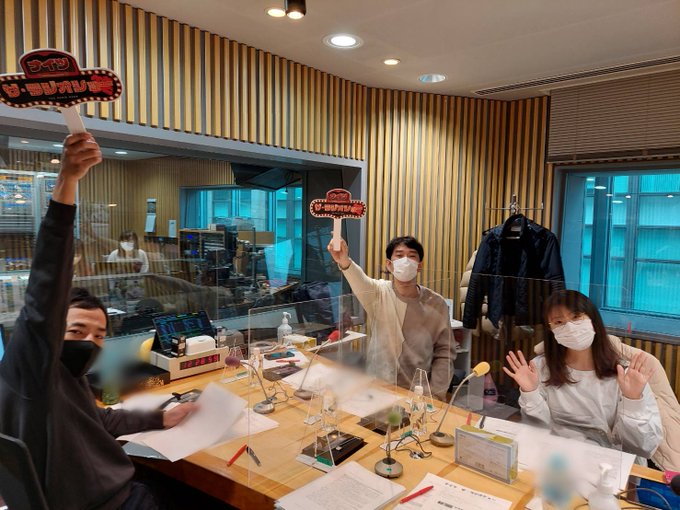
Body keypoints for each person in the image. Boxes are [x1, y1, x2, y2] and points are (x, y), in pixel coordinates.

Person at [0, 133, 196, 510]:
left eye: (99, 334)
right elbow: (45, 290)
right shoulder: (31, 371)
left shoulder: (70, 377)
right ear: (51, 331)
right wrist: (67, 182)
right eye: (76, 330)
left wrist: (163, 416)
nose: (89, 341)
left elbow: (102, 421)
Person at [503, 289, 662, 459]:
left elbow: (644, 448)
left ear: (593, 319)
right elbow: (536, 431)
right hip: (556, 457)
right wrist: (530, 393)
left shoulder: (625, 374)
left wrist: (633, 400)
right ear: (551, 330)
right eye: (559, 322)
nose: (570, 327)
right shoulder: (540, 368)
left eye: (576, 317)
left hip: (606, 462)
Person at [328, 236, 455, 400]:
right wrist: (344, 261)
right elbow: (358, 279)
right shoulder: (378, 292)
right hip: (378, 388)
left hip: (417, 394)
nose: (405, 261)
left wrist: (435, 394)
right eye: (399, 255)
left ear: (419, 266)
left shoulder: (436, 303)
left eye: (412, 256)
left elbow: (445, 352)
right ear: (389, 264)